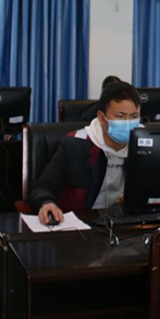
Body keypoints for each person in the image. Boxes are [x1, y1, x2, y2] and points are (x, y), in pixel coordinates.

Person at [31, 81, 141, 225]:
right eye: (120, 116)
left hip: (126, 224)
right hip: (83, 225)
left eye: (134, 116)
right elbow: (44, 186)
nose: (127, 123)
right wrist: (46, 203)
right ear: (101, 118)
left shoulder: (144, 145)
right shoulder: (76, 143)